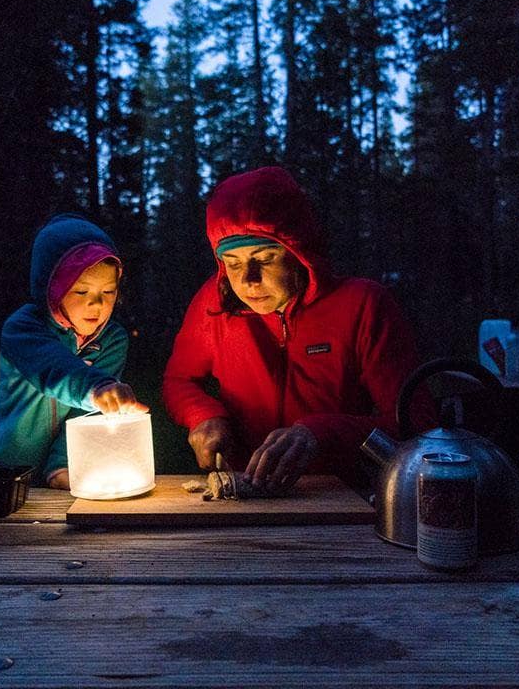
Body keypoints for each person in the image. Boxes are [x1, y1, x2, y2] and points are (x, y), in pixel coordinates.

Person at [163, 166, 435, 494]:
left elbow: (415, 424)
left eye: (264, 259)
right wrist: (204, 415)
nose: (248, 280)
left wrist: (320, 434)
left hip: (339, 494)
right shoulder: (216, 304)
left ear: (299, 253)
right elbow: (179, 381)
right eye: (232, 263)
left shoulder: (362, 305)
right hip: (243, 493)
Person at [0, 213, 147, 489]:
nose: (96, 304)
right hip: (5, 470)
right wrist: (97, 388)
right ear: (52, 289)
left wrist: (64, 464)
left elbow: (92, 412)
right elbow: (52, 368)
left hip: (67, 476)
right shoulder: (23, 328)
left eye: (108, 292)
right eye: (82, 292)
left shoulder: (112, 340)